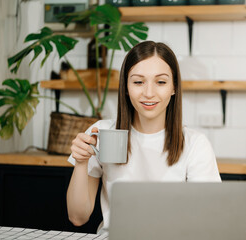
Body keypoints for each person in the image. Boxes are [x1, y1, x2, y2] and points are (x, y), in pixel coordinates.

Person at [66, 41, 221, 234]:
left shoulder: (194, 144)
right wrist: (81, 163)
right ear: (125, 87)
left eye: (161, 82)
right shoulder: (101, 133)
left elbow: (209, 219)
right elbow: (77, 217)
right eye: (138, 82)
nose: (148, 93)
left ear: (174, 88)